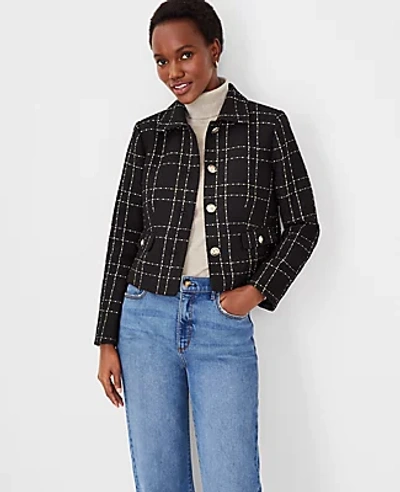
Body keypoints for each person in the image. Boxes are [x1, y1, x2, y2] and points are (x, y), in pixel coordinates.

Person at [94, 0, 320, 490]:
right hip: (144, 322)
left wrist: (254, 292)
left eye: (185, 55)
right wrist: (106, 338)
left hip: (222, 323)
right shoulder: (148, 135)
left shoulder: (267, 127)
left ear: (214, 49)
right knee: (159, 480)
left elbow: (304, 225)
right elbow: (123, 237)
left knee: (232, 479)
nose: (173, 72)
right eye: (161, 60)